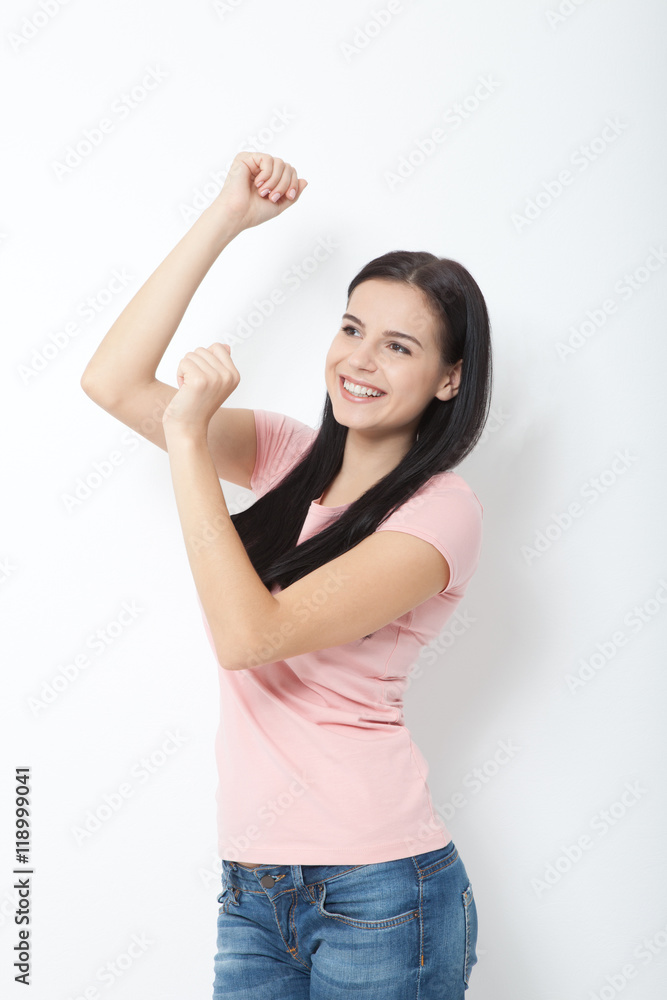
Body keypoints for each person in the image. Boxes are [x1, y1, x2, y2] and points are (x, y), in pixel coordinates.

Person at [81, 151, 492, 999]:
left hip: (380, 889)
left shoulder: (441, 511)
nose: (360, 360)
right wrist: (225, 219)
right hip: (253, 884)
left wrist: (191, 442)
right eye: (351, 329)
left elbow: (249, 637)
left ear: (449, 378)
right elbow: (113, 381)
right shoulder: (285, 454)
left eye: (399, 345)